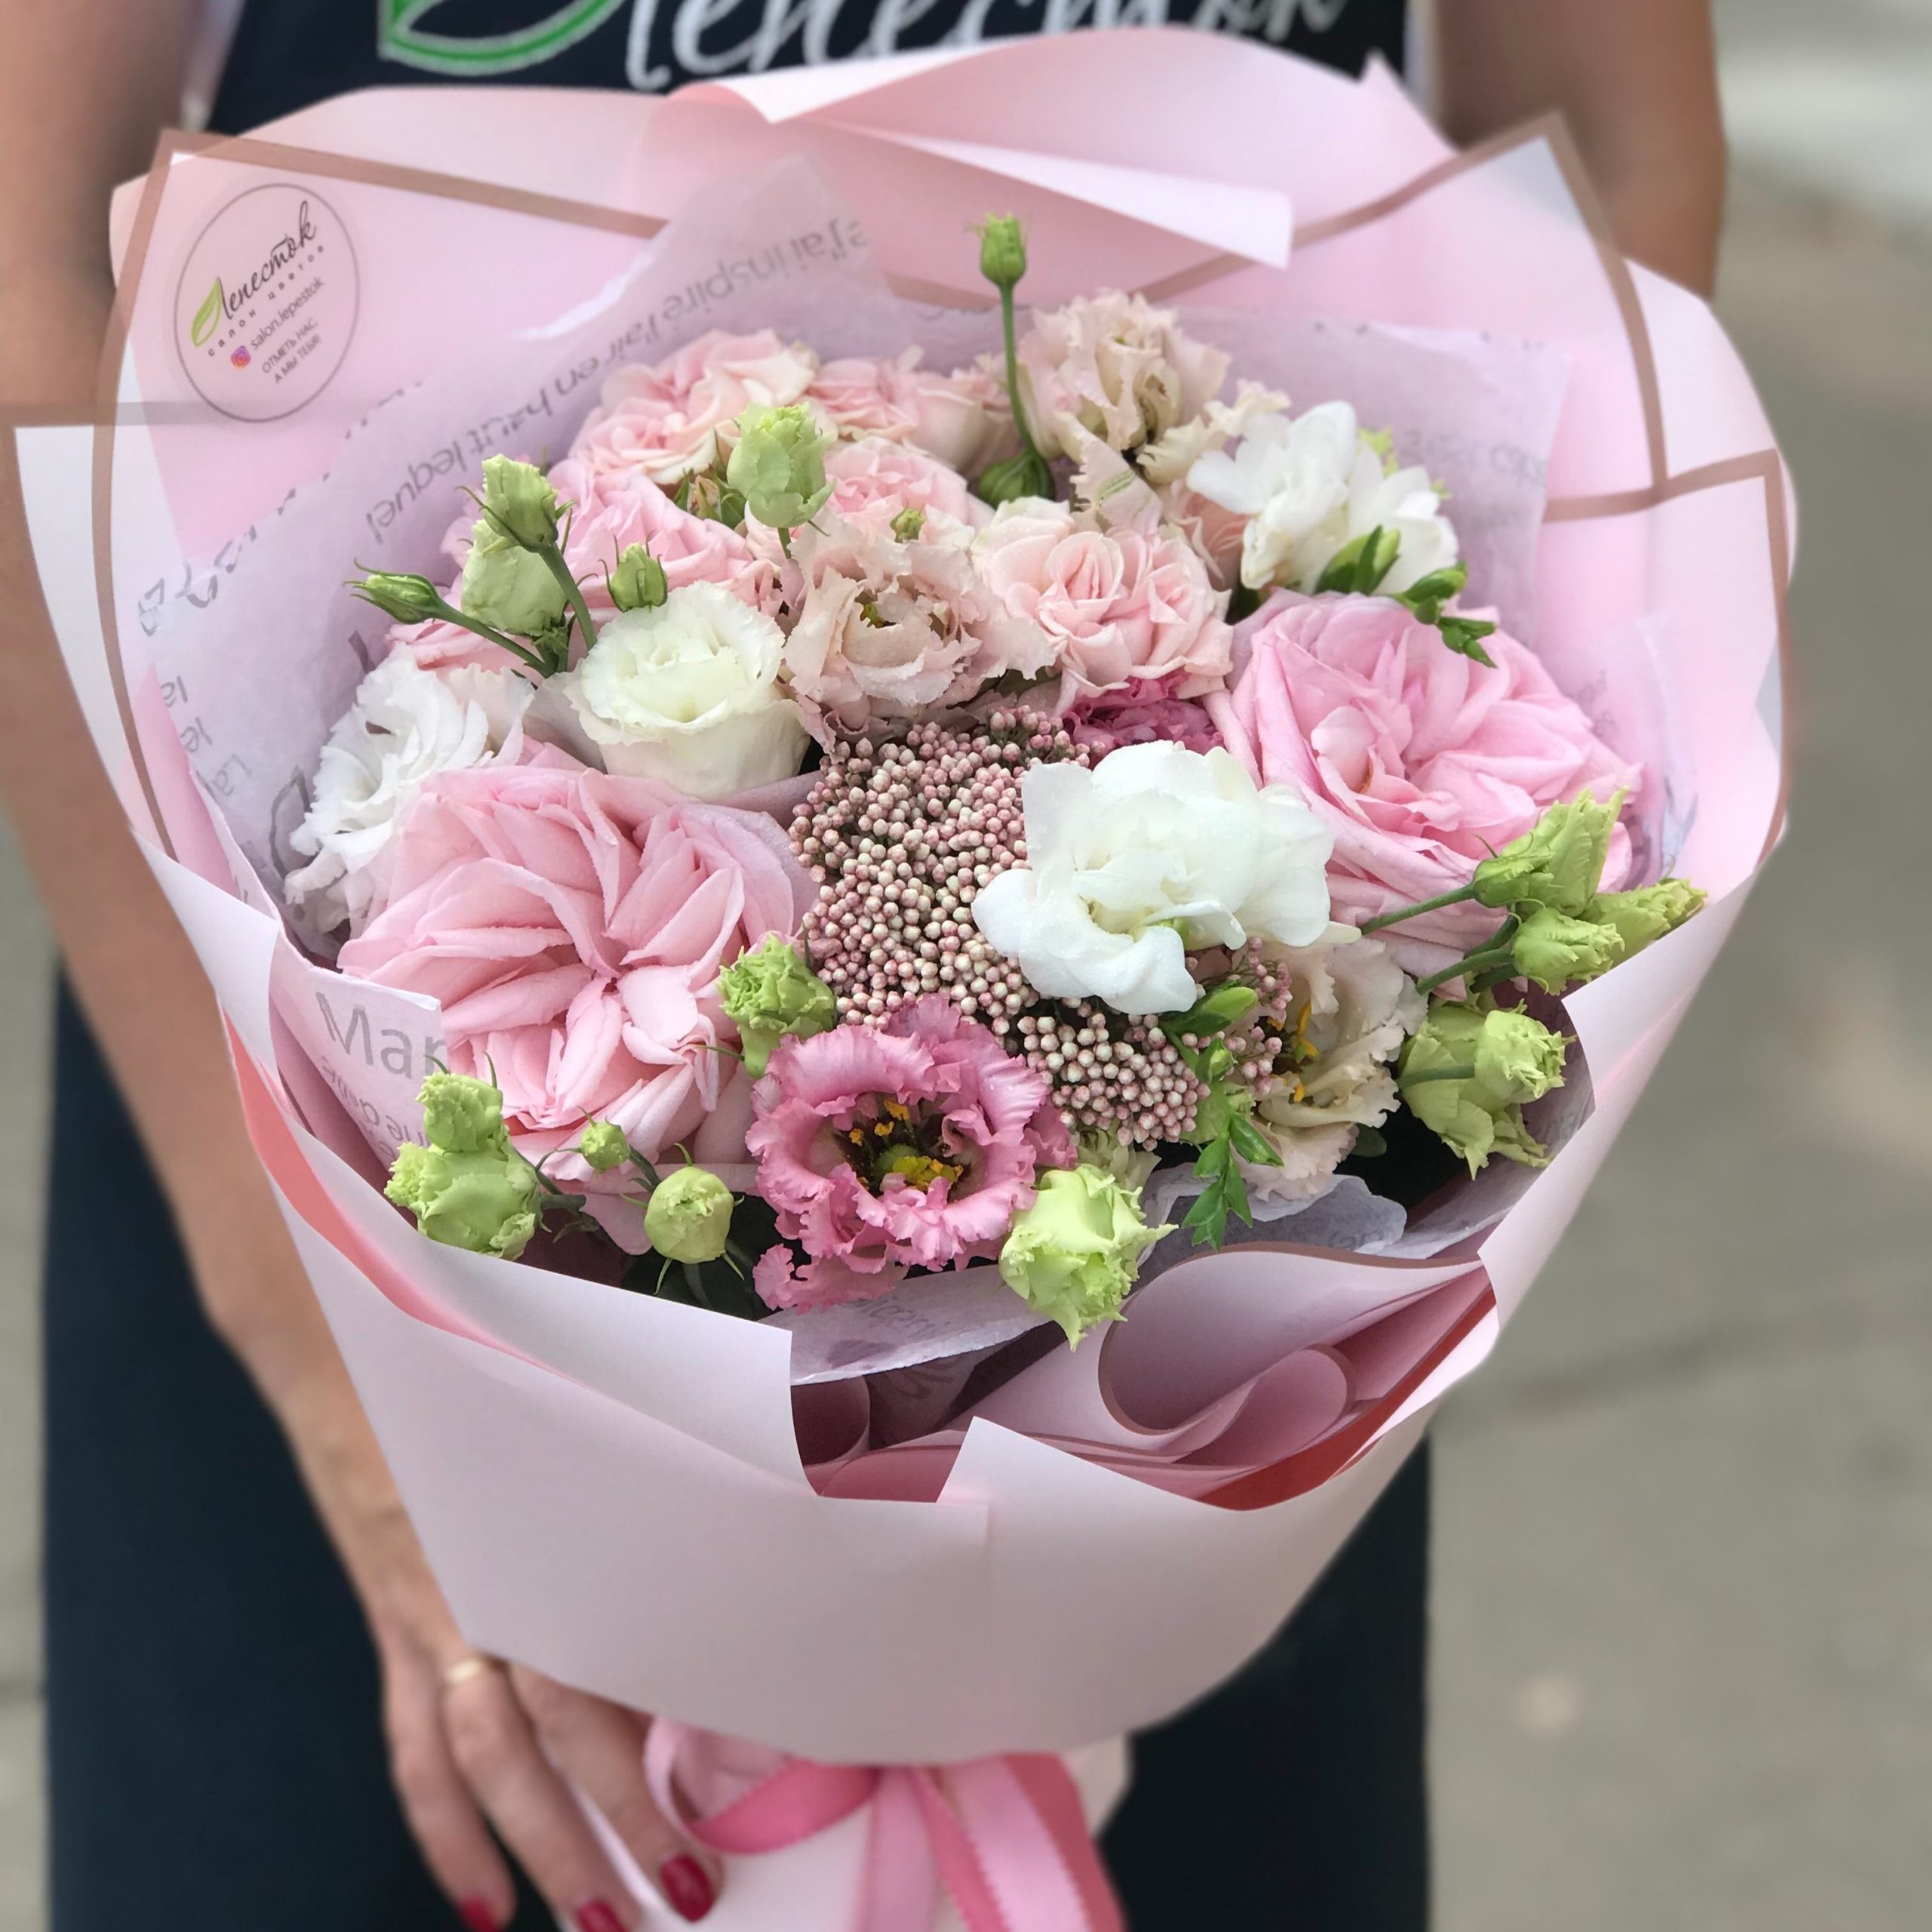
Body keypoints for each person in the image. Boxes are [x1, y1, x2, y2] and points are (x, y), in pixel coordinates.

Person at [0, 5, 1724, 1928]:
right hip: (349, 1166)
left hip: (1226, 1247)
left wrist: (1473, 867)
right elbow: (23, 227)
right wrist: (348, 1380)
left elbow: (1601, 148)